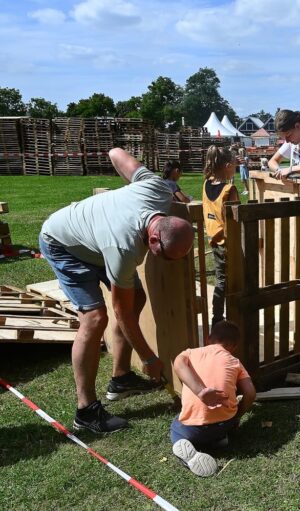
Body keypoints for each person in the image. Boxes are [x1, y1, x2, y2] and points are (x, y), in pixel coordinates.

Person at [38, 148, 194, 433]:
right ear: (154, 239)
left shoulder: (158, 188)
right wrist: (149, 358)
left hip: (97, 242)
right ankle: (86, 410)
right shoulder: (124, 249)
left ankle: (120, 379)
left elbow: (114, 153)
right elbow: (121, 312)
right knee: (96, 318)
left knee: (139, 297)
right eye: (163, 257)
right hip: (63, 243)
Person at [171, 320, 256, 477]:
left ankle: (185, 445)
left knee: (176, 427)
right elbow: (250, 393)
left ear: (208, 338)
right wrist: (237, 417)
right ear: (234, 347)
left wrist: (200, 391)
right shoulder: (235, 362)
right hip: (225, 423)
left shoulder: (190, 353)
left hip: (193, 429)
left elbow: (178, 363)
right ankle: (217, 439)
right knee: (223, 420)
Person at [202, 145, 239, 326]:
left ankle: (218, 316)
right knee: (228, 280)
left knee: (220, 278)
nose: (235, 168)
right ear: (226, 165)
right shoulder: (229, 190)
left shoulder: (206, 183)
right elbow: (237, 219)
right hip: (228, 242)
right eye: (234, 164)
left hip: (213, 239)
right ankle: (219, 317)